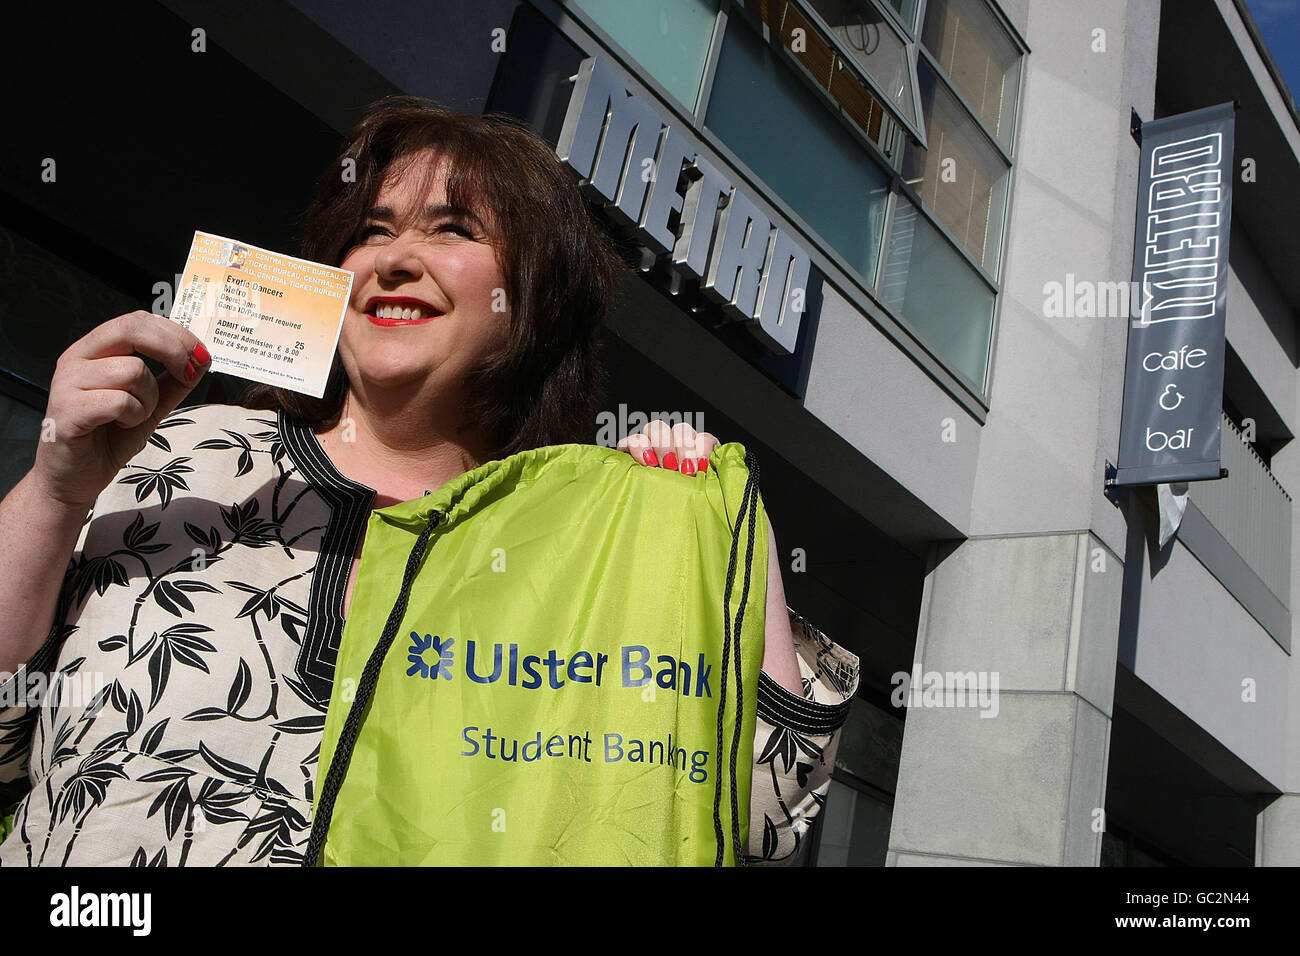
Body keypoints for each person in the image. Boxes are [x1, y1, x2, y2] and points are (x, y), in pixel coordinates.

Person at [0, 97, 859, 866]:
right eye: (372, 231)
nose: (396, 258)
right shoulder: (182, 452)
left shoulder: (581, 544)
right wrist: (55, 491)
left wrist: (714, 519)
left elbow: (756, 823)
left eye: (453, 230)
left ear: (532, 299)